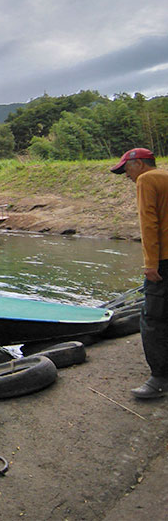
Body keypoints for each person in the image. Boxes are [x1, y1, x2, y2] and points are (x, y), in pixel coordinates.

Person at [111, 147, 168, 399]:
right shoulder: (166, 177)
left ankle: (159, 379)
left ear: (140, 165)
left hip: (163, 260)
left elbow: (149, 222)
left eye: (126, 169)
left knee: (153, 319)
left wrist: (150, 264)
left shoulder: (146, 180)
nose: (126, 175)